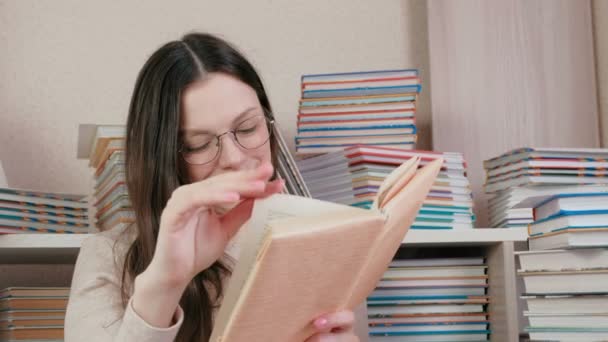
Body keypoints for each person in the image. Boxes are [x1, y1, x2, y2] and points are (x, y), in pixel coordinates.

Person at [64, 33, 359, 342]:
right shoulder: (107, 259)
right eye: (199, 145)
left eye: (248, 128)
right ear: (163, 158)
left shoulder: (315, 242)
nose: (234, 158)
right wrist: (164, 285)